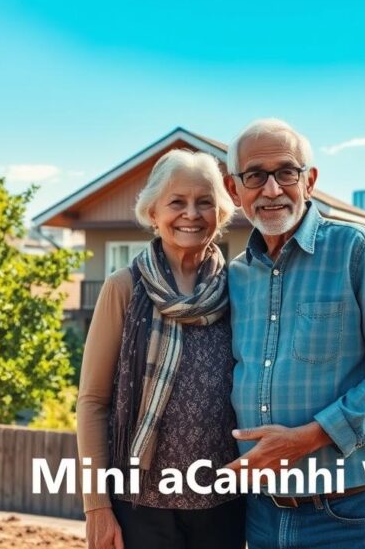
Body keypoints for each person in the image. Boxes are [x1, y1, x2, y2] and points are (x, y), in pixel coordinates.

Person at [223, 118, 365, 549]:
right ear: (233, 189)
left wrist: (306, 440)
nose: (272, 189)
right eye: (255, 175)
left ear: (309, 180)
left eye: (287, 173)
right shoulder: (237, 276)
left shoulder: (355, 249)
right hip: (261, 512)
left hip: (349, 510)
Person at [76, 149, 245, 549]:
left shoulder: (240, 288)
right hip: (140, 505)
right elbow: (92, 401)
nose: (192, 213)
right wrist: (96, 507)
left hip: (223, 502)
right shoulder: (123, 288)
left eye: (205, 202)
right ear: (153, 213)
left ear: (221, 214)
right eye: (177, 202)